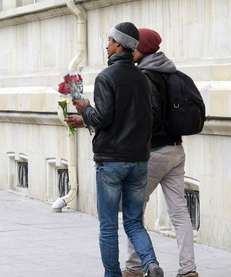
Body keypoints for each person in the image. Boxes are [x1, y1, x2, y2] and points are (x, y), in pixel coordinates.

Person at [65, 22, 163, 277]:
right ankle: (151, 264)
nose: (106, 45)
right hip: (139, 159)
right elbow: (151, 115)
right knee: (133, 222)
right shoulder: (143, 78)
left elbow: (102, 118)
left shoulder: (106, 77)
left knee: (108, 227)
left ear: (119, 44)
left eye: (109, 40)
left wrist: (85, 107)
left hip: (111, 161)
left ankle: (112, 274)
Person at [121, 28, 198, 277]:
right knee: (179, 211)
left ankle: (133, 267)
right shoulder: (173, 73)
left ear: (142, 48)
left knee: (134, 211)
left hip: (154, 152)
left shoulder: (144, 76)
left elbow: (149, 117)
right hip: (176, 150)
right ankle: (188, 269)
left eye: (134, 45)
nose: (130, 50)